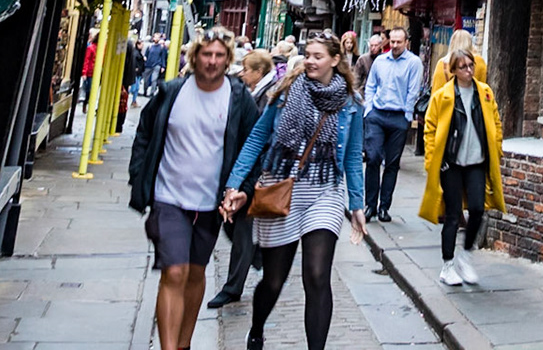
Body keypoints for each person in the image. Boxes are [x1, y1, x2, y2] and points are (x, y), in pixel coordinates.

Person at [221, 34, 367, 350]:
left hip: (324, 191)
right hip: (281, 188)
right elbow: (257, 139)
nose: (310, 61)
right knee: (273, 280)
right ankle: (257, 329)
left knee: (317, 276)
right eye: (308, 55)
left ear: (335, 61)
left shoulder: (351, 103)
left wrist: (357, 203)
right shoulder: (287, 93)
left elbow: (353, 155)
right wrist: (234, 184)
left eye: (317, 56)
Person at [129, 27, 256, 350]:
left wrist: (243, 189)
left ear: (228, 60)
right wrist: (138, 176)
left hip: (210, 204)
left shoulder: (239, 98)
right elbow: (144, 134)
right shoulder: (172, 91)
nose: (212, 61)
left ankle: (183, 344)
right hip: (168, 197)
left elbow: (253, 147)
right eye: (206, 54)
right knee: (174, 271)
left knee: (196, 273)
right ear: (194, 56)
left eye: (219, 55)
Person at [418, 48, 503, 287]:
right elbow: (430, 129)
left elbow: (495, 121)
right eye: (463, 66)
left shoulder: (484, 93)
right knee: (453, 215)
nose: (469, 70)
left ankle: (466, 256)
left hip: (476, 161)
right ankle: (448, 265)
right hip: (451, 163)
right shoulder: (443, 96)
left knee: (477, 209)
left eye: (471, 65)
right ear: (453, 70)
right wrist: (433, 161)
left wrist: (496, 146)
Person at [207, 50, 278, 310]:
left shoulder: (265, 94)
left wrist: (248, 179)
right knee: (232, 225)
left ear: (259, 71)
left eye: (247, 69)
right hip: (239, 169)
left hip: (252, 170)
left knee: (240, 229)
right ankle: (257, 256)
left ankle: (233, 286)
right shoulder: (250, 91)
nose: (242, 73)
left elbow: (259, 136)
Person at [363, 27, 422, 222]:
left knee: (392, 164)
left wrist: (406, 116)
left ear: (406, 42)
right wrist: (368, 109)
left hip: (398, 118)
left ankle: (384, 207)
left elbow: (413, 91)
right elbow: (371, 85)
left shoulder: (414, 63)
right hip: (377, 115)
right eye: (392, 42)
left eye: (399, 42)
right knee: (372, 158)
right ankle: (370, 204)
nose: (395, 45)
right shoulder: (380, 61)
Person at [427, 28, 488, 95]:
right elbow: (484, 89)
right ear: (470, 43)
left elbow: (435, 93)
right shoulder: (478, 61)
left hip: (449, 103)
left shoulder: (442, 64)